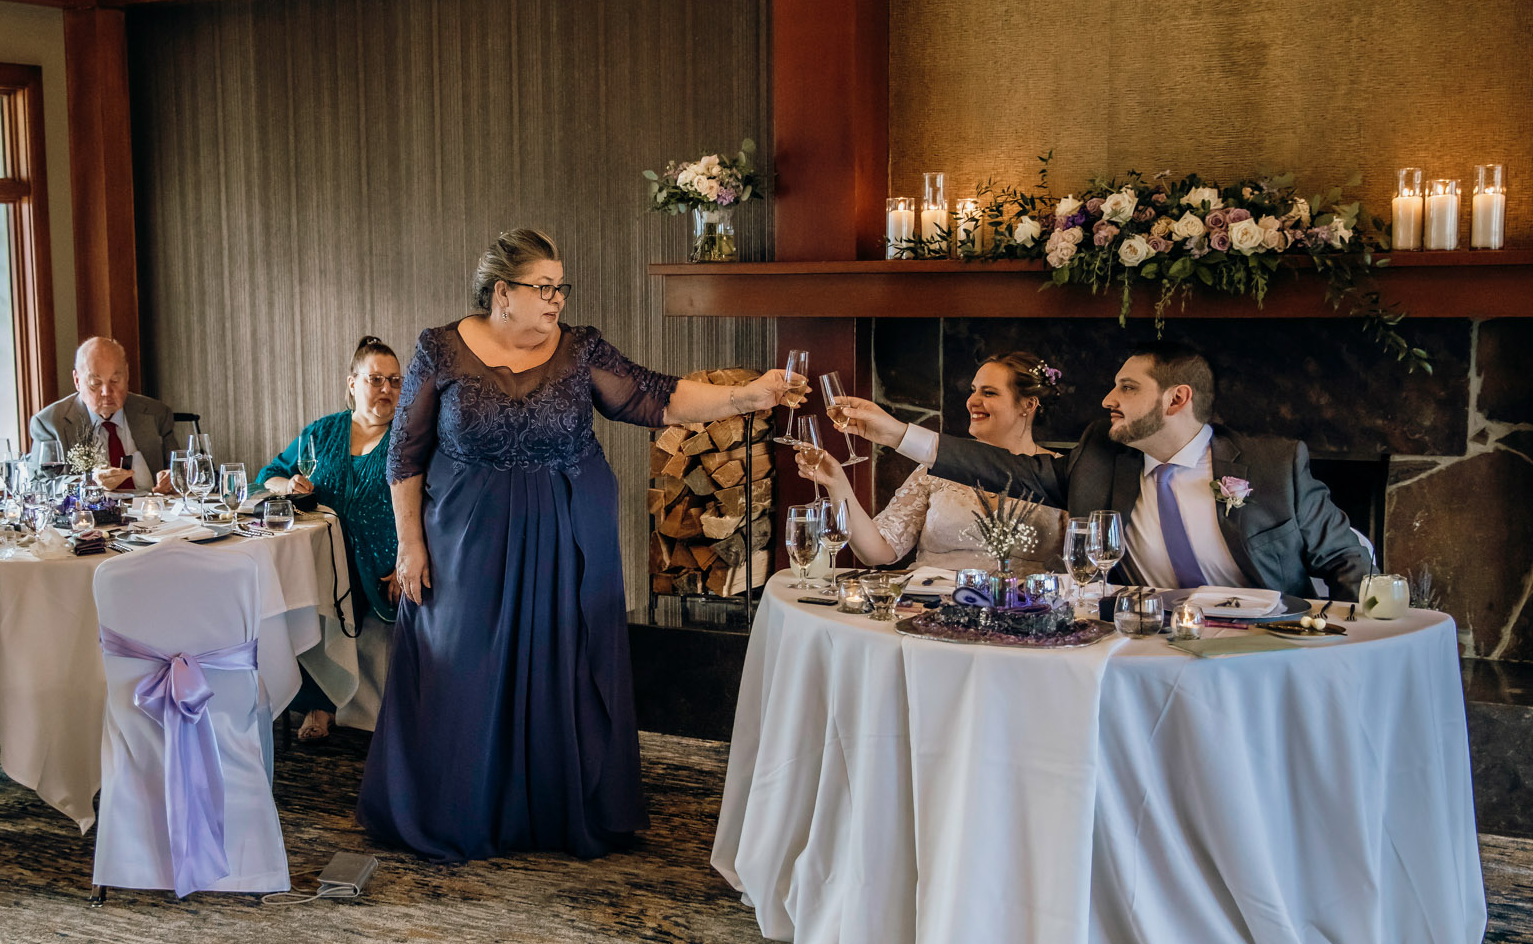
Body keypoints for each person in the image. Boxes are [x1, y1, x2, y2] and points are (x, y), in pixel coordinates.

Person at [358, 228, 804, 863]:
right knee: (459, 667)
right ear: (502, 293)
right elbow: (403, 455)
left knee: (560, 663)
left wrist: (748, 395)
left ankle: (557, 813)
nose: (557, 299)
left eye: (560, 286)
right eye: (544, 287)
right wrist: (411, 547)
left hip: (565, 536)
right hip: (464, 538)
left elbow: (660, 397)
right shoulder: (439, 350)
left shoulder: (580, 349)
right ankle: (459, 810)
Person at [831, 339, 1368, 598]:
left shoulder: (1274, 463)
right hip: (1141, 646)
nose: (1108, 399)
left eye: (1127, 388)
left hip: (1256, 647)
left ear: (1177, 399)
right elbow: (1003, 469)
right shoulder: (1101, 459)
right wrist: (898, 434)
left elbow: (1347, 562)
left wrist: (1335, 653)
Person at [797, 351, 1069, 570]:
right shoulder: (936, 468)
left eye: (989, 393)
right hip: (929, 610)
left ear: (1028, 405)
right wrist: (837, 485)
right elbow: (876, 551)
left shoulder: (1064, 476)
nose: (972, 401)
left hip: (1026, 621)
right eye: (973, 390)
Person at [257, 336, 403, 743]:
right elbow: (266, 473)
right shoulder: (322, 432)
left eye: (394, 380)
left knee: (345, 587)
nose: (387, 389)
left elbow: (432, 505)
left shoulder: (409, 438)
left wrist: (407, 560)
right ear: (352, 383)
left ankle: (372, 712)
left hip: (382, 565)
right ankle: (317, 704)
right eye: (376, 379)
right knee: (306, 594)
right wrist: (288, 484)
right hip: (325, 561)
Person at [29, 337, 179, 493]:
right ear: (77, 381)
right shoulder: (50, 423)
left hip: (152, 512)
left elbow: (180, 469)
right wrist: (88, 482)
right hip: (90, 515)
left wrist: (174, 478)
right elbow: (38, 485)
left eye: (115, 380)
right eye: (96, 383)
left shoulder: (156, 413)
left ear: (127, 374)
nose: (107, 392)